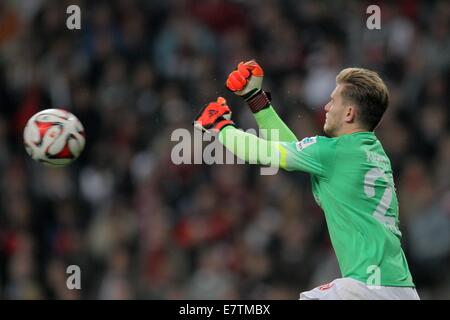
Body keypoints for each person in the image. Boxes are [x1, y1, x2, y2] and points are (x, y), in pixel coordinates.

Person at [193, 60, 420, 300]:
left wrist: (221, 126)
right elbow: (289, 148)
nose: (326, 106)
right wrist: (254, 97)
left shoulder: (334, 152)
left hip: (368, 286)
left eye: (333, 101)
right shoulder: (370, 151)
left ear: (349, 113)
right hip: (400, 289)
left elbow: (260, 152)